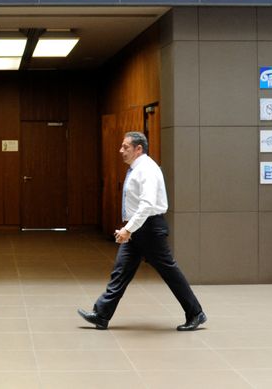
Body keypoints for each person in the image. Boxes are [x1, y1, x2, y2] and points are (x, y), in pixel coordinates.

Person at [78, 131, 206, 331]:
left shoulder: (146, 169)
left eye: (125, 147)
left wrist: (127, 229)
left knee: (169, 272)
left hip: (150, 228)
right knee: (120, 272)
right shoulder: (135, 169)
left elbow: (146, 205)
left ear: (139, 149)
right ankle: (101, 315)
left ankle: (196, 313)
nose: (121, 151)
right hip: (139, 228)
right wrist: (129, 228)